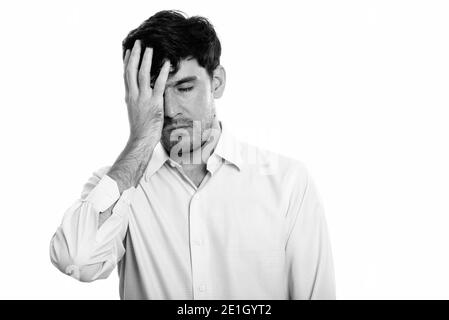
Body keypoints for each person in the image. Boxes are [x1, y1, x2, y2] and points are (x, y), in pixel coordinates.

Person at [49, 10, 336, 300]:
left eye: (184, 88)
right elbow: (77, 261)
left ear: (217, 82)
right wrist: (139, 141)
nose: (170, 110)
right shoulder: (118, 188)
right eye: (154, 91)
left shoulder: (287, 183)